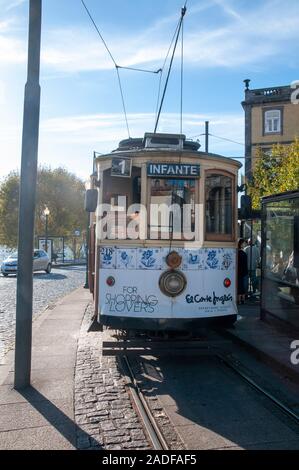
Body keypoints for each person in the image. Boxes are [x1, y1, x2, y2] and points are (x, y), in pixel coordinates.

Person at [237, 238, 248, 305]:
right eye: (244, 243)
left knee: (239, 286)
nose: (244, 244)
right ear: (241, 244)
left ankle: (239, 300)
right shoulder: (243, 253)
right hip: (243, 271)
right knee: (243, 286)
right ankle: (242, 299)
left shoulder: (237, 252)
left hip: (238, 271)